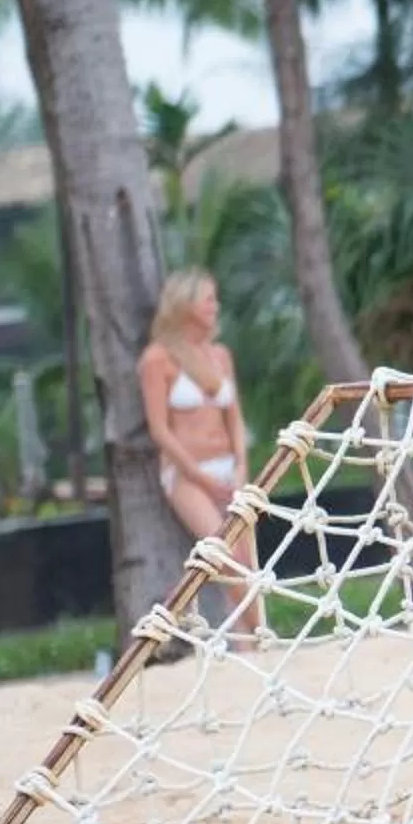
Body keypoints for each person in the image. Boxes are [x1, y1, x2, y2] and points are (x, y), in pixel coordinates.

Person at [138, 267, 265, 636]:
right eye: (208, 299)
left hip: (228, 467)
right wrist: (199, 476)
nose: (215, 306)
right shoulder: (157, 359)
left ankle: (248, 645)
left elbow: (235, 418)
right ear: (186, 304)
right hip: (187, 474)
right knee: (225, 556)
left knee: (247, 562)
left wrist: (242, 465)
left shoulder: (220, 355)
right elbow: (160, 430)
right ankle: (264, 631)